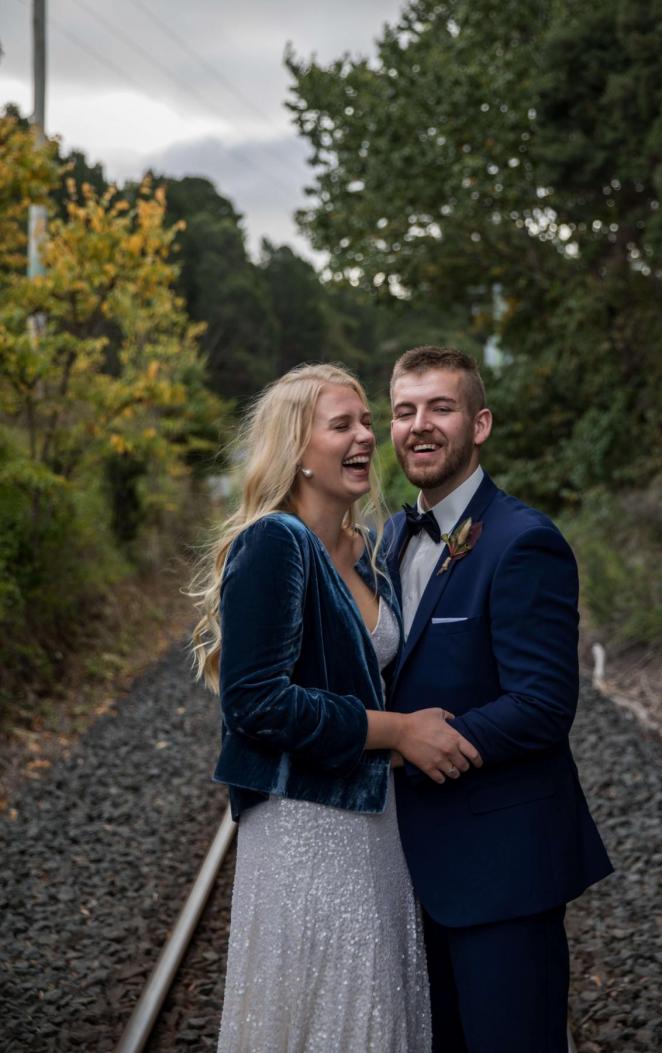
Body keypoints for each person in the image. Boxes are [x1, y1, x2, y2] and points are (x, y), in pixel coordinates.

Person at [191, 363, 481, 1053]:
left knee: (377, 1005)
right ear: (297, 449)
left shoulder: (371, 551)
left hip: (373, 824)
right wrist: (400, 731)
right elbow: (256, 701)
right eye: (342, 424)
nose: (366, 437)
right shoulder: (273, 542)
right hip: (304, 827)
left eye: (366, 422)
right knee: (331, 1008)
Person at [385, 346, 613, 1053]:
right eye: (404, 410)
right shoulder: (390, 537)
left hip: (502, 872)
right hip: (405, 869)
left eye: (440, 408)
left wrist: (409, 746)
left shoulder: (525, 541)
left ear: (479, 423)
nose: (420, 425)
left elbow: (544, 702)